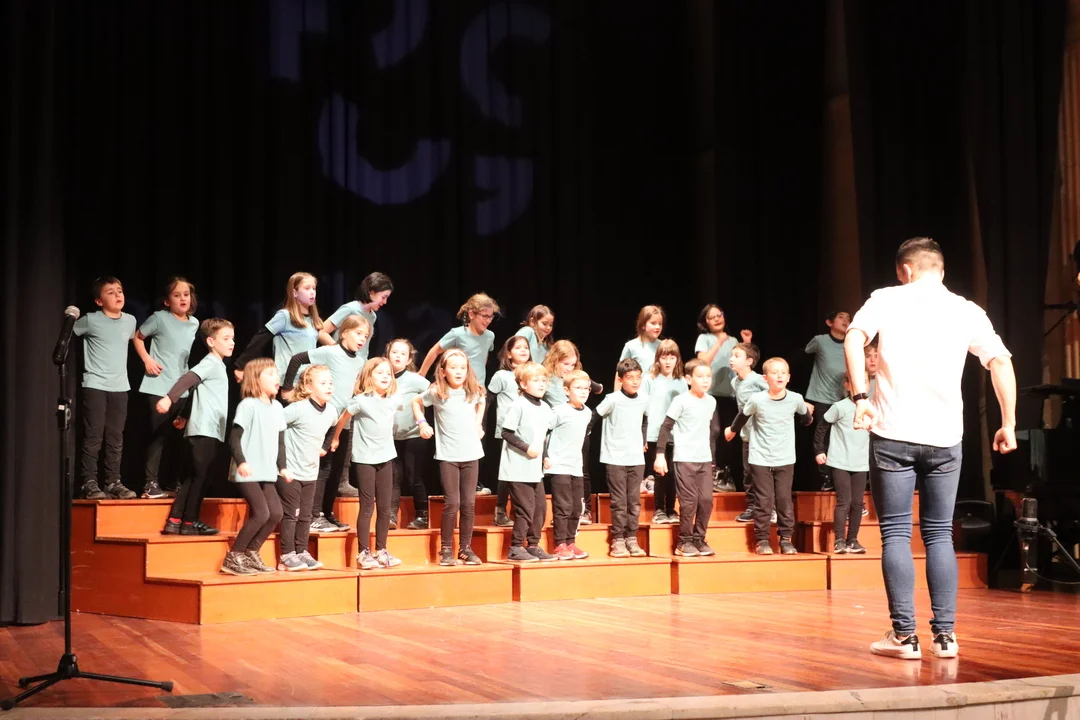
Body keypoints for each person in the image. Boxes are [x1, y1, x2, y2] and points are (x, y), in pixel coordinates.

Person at [845, 236, 1016, 661]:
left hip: (893, 433)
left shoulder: (886, 298)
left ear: (905, 270)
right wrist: (1008, 422)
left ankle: (904, 637)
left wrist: (861, 398)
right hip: (945, 438)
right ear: (941, 270)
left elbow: (853, 338)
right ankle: (945, 637)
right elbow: (1000, 361)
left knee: (896, 533)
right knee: (940, 534)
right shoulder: (966, 309)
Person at [281, 314, 370, 533]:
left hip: (344, 424)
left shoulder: (360, 362)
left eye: (366, 336)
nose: (362, 339)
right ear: (345, 333)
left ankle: (327, 513)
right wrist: (287, 388)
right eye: (359, 333)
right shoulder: (330, 352)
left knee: (337, 472)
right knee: (323, 469)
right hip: (323, 423)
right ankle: (313, 515)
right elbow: (297, 359)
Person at [726, 357, 813, 556]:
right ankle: (763, 540)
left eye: (783, 372)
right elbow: (742, 416)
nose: (779, 376)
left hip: (785, 458)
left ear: (789, 377)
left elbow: (806, 418)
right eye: (774, 373)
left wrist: (807, 418)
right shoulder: (757, 399)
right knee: (764, 500)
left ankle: (786, 539)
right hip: (760, 458)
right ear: (765, 378)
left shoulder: (795, 399)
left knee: (784, 499)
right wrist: (732, 430)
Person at [157, 318, 235, 536]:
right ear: (211, 341)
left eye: (232, 338)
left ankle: (179, 521)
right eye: (226, 338)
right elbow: (189, 379)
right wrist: (169, 398)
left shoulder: (218, 365)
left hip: (209, 429)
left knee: (199, 477)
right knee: (199, 477)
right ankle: (186, 521)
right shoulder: (210, 362)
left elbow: (196, 392)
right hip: (204, 428)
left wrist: (183, 415)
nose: (232, 343)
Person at [418, 293, 499, 497]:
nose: (488, 320)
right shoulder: (457, 334)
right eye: (484, 316)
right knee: (452, 433)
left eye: (490, 317)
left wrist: (478, 383)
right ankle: (451, 483)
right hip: (455, 392)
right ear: (471, 314)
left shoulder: (489, 336)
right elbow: (435, 351)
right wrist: (421, 375)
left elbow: (482, 358)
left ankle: (474, 483)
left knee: (477, 435)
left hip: (476, 393)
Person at [412, 349, 486, 566]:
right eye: (453, 367)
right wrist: (422, 424)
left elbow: (481, 401)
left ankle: (465, 548)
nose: (459, 371)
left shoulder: (473, 390)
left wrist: (478, 424)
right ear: (443, 371)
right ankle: (446, 549)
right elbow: (416, 402)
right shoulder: (437, 392)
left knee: (469, 504)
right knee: (452, 503)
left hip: (471, 454)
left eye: (463, 367)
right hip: (448, 456)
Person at [333, 357, 403, 570]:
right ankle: (363, 553)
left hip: (386, 458)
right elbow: (343, 417)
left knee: (385, 507)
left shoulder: (393, 399)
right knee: (367, 507)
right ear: (368, 376)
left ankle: (381, 550)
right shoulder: (361, 400)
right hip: (365, 459)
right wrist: (335, 438)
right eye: (380, 372)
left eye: (388, 373)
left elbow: (411, 403)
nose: (385, 376)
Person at [133, 276, 200, 499]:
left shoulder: (194, 323)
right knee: (159, 435)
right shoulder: (159, 318)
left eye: (186, 294)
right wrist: (147, 360)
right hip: (159, 385)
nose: (182, 298)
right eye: (176, 295)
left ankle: (173, 481)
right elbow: (138, 337)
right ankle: (150, 483)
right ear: (166, 301)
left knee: (179, 437)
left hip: (181, 387)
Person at [221, 358, 289, 575]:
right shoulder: (248, 405)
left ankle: (251, 552)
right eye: (271, 374)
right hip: (248, 470)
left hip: (267, 471)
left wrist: (283, 467)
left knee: (276, 513)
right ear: (256, 379)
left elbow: (280, 441)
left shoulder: (277, 407)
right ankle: (234, 555)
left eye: (277, 373)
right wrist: (241, 461)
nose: (277, 378)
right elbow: (234, 438)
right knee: (261, 513)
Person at [75, 276, 138, 500]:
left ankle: (113, 481)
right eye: (110, 292)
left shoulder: (130, 321)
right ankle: (89, 481)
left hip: (120, 387)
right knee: (94, 436)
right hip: (95, 385)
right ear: (99, 301)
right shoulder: (90, 320)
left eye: (119, 290)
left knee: (115, 437)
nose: (117, 295)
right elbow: (69, 333)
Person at [655, 358, 718, 557]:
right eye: (700, 376)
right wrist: (660, 454)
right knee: (689, 501)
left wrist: (713, 459)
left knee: (706, 500)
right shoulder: (681, 401)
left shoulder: (711, 401)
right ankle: (684, 541)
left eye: (708, 376)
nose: (705, 380)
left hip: (704, 459)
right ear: (689, 379)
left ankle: (699, 539)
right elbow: (665, 427)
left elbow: (709, 431)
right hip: (684, 459)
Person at [278, 364, 336, 571]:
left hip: (311, 472)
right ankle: (286, 555)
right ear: (309, 387)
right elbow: (274, 424)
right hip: (290, 472)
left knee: (305, 516)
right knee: (291, 515)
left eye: (330, 383)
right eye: (323, 383)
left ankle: (302, 551)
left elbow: (334, 427)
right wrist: (280, 461)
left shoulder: (331, 411)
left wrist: (325, 446)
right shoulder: (298, 408)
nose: (329, 386)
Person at [499, 362, 556, 562]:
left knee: (540, 508)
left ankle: (532, 545)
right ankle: (515, 547)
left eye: (543, 380)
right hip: (517, 467)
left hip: (534, 468)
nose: (541, 384)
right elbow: (506, 433)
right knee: (525, 508)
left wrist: (545, 455)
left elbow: (541, 436)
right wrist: (526, 448)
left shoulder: (545, 407)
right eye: (535, 380)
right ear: (523, 384)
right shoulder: (519, 405)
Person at [542, 339, 603, 523]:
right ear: (555, 360)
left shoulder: (576, 378)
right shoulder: (547, 379)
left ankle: (585, 510)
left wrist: (585, 380)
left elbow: (599, 389)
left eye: (573, 364)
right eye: (565, 364)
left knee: (582, 471)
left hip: (578, 429)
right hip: (558, 432)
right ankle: (561, 514)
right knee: (559, 476)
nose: (569, 368)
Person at [694, 304, 752, 492]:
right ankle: (711, 470)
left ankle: (725, 473)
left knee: (729, 433)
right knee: (714, 430)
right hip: (709, 394)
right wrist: (718, 343)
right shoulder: (704, 338)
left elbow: (745, 362)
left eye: (719, 314)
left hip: (730, 394)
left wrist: (746, 342)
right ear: (705, 322)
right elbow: (702, 362)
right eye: (712, 317)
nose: (717, 319)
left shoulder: (733, 340)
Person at [598, 358, 649, 558]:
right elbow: (594, 417)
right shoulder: (612, 399)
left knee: (634, 501)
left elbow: (645, 420)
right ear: (620, 380)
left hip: (636, 458)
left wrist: (643, 440)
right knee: (619, 501)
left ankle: (632, 538)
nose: (635, 381)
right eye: (630, 378)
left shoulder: (644, 399)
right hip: (615, 457)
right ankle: (618, 540)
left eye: (638, 377)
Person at [234, 271, 323, 386]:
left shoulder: (313, 320)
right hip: (288, 381)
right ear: (295, 292)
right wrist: (241, 365)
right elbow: (261, 338)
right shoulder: (285, 316)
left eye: (314, 288)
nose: (312, 292)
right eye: (307, 288)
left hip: (307, 380)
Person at [814, 375, 869, 554]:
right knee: (844, 501)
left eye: (865, 382)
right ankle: (839, 540)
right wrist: (819, 450)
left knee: (857, 503)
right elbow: (822, 427)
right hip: (840, 461)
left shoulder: (871, 407)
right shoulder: (840, 407)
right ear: (847, 385)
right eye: (855, 382)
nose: (860, 385)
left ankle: (852, 540)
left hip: (861, 463)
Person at [545, 369, 596, 560]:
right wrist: (545, 456)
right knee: (563, 506)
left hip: (576, 466)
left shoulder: (587, 412)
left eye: (586, 388)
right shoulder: (559, 411)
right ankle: (560, 544)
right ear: (566, 390)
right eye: (578, 388)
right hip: (559, 465)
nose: (583, 392)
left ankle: (570, 542)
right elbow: (543, 431)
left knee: (576, 507)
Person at [386, 339, 432, 530]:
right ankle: (390, 516)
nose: (398, 356)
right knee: (393, 477)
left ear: (409, 359)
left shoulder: (415, 379)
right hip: (390, 437)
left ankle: (422, 515)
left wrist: (422, 422)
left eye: (403, 354)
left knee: (414, 476)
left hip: (413, 436)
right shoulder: (382, 377)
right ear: (387, 355)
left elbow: (434, 392)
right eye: (395, 352)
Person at [802, 310, 851, 490]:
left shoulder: (851, 343)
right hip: (822, 396)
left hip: (844, 398)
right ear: (830, 322)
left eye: (848, 318)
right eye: (841, 317)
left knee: (843, 438)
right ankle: (826, 477)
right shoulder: (820, 341)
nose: (846, 320)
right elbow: (805, 353)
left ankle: (843, 477)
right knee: (824, 437)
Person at [488, 335, 533, 527]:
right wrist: (479, 424)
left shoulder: (532, 374)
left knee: (524, 472)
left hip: (528, 432)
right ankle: (500, 510)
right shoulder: (502, 376)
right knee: (508, 471)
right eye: (518, 347)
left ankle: (520, 511)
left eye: (526, 347)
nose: (523, 350)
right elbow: (488, 400)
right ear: (508, 353)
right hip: (508, 432)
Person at [643, 340, 687, 523]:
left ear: (677, 359)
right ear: (657, 359)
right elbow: (643, 408)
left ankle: (671, 509)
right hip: (655, 434)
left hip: (676, 435)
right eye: (664, 357)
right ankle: (659, 509)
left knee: (674, 475)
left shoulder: (682, 382)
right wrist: (643, 435)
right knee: (660, 473)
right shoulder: (649, 379)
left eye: (672, 357)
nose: (668, 361)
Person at [729, 342, 769, 524]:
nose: (731, 359)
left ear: (749, 361)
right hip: (747, 435)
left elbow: (776, 391)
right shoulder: (734, 382)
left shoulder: (757, 379)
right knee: (748, 473)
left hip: (762, 435)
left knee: (762, 473)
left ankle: (768, 508)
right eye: (732, 355)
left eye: (737, 356)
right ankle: (752, 507)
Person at [318, 272, 394, 362]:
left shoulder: (372, 316)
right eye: (383, 297)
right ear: (372, 293)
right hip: (342, 363)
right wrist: (341, 352)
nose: (385, 302)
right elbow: (321, 332)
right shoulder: (350, 309)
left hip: (360, 365)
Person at [617, 305, 664, 390]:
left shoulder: (663, 346)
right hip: (637, 393)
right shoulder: (631, 346)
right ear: (643, 325)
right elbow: (619, 373)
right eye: (653, 323)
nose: (657, 327)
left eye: (660, 324)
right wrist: (616, 395)